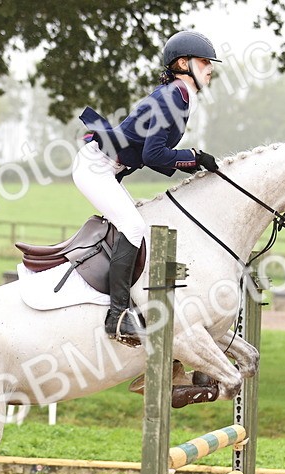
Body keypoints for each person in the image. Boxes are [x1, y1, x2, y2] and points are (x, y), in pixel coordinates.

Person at [75, 30, 221, 346]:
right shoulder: (174, 98)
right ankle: (117, 318)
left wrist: (192, 160)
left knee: (139, 224)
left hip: (107, 169)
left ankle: (130, 306)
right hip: (95, 167)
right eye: (204, 61)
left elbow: (152, 155)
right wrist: (193, 157)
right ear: (183, 63)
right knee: (133, 225)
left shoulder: (179, 96)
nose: (210, 68)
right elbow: (152, 155)